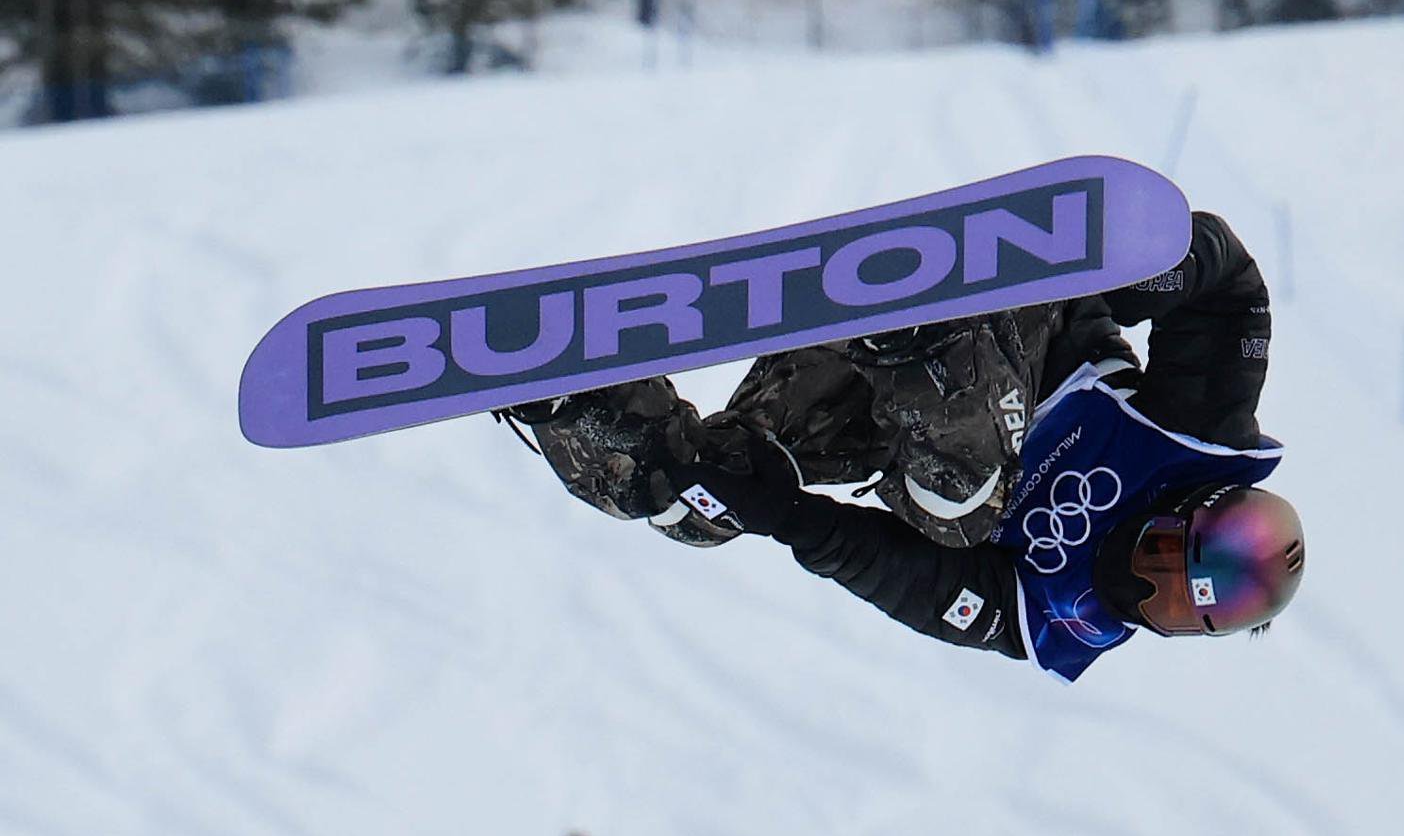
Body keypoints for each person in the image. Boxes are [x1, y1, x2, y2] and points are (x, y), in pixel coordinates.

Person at [496, 209, 1305, 686]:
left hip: (890, 425)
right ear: (1194, 505)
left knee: (700, 507)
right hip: (1015, 323)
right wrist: (1152, 270)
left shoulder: (1053, 620)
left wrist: (783, 511)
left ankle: (569, 399)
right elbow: (1232, 284)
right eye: (1167, 547)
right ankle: (917, 323)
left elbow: (899, 574)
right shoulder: (1197, 440)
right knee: (962, 504)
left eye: (1168, 603)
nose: (1144, 571)